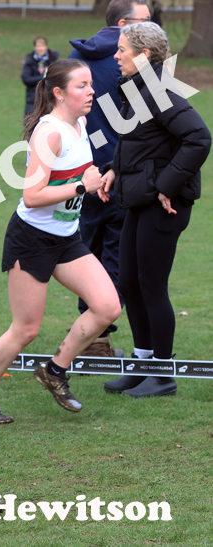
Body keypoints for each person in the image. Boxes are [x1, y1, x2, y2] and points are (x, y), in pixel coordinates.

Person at [0, 59, 121, 425]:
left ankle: (55, 369)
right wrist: (84, 186)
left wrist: (97, 175)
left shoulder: (80, 123)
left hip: (67, 238)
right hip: (32, 239)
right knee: (26, 329)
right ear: (59, 93)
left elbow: (74, 173)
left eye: (90, 85)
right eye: (82, 85)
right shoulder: (48, 132)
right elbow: (32, 194)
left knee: (107, 307)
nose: (91, 91)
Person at [98, 23, 211, 397]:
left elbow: (199, 137)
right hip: (139, 198)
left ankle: (162, 376)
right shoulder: (140, 88)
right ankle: (143, 364)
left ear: (145, 55)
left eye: (122, 50)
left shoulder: (162, 91)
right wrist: (114, 168)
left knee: (151, 286)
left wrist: (167, 187)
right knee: (130, 283)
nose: (116, 56)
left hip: (164, 205)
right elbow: (135, 140)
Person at [68, 0, 151, 357]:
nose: (153, 27)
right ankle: (96, 337)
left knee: (88, 251)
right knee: (116, 254)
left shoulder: (75, 61)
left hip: (78, 172)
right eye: (146, 21)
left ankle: (90, 331)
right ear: (123, 23)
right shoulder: (130, 62)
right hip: (119, 170)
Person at [21, 37, 59, 116]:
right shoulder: (30, 61)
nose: (41, 48)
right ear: (34, 47)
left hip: (50, 99)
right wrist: (43, 78)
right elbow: (26, 79)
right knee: (31, 124)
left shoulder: (53, 60)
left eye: (43, 46)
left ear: (46, 47)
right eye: (38, 46)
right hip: (33, 100)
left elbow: (57, 77)